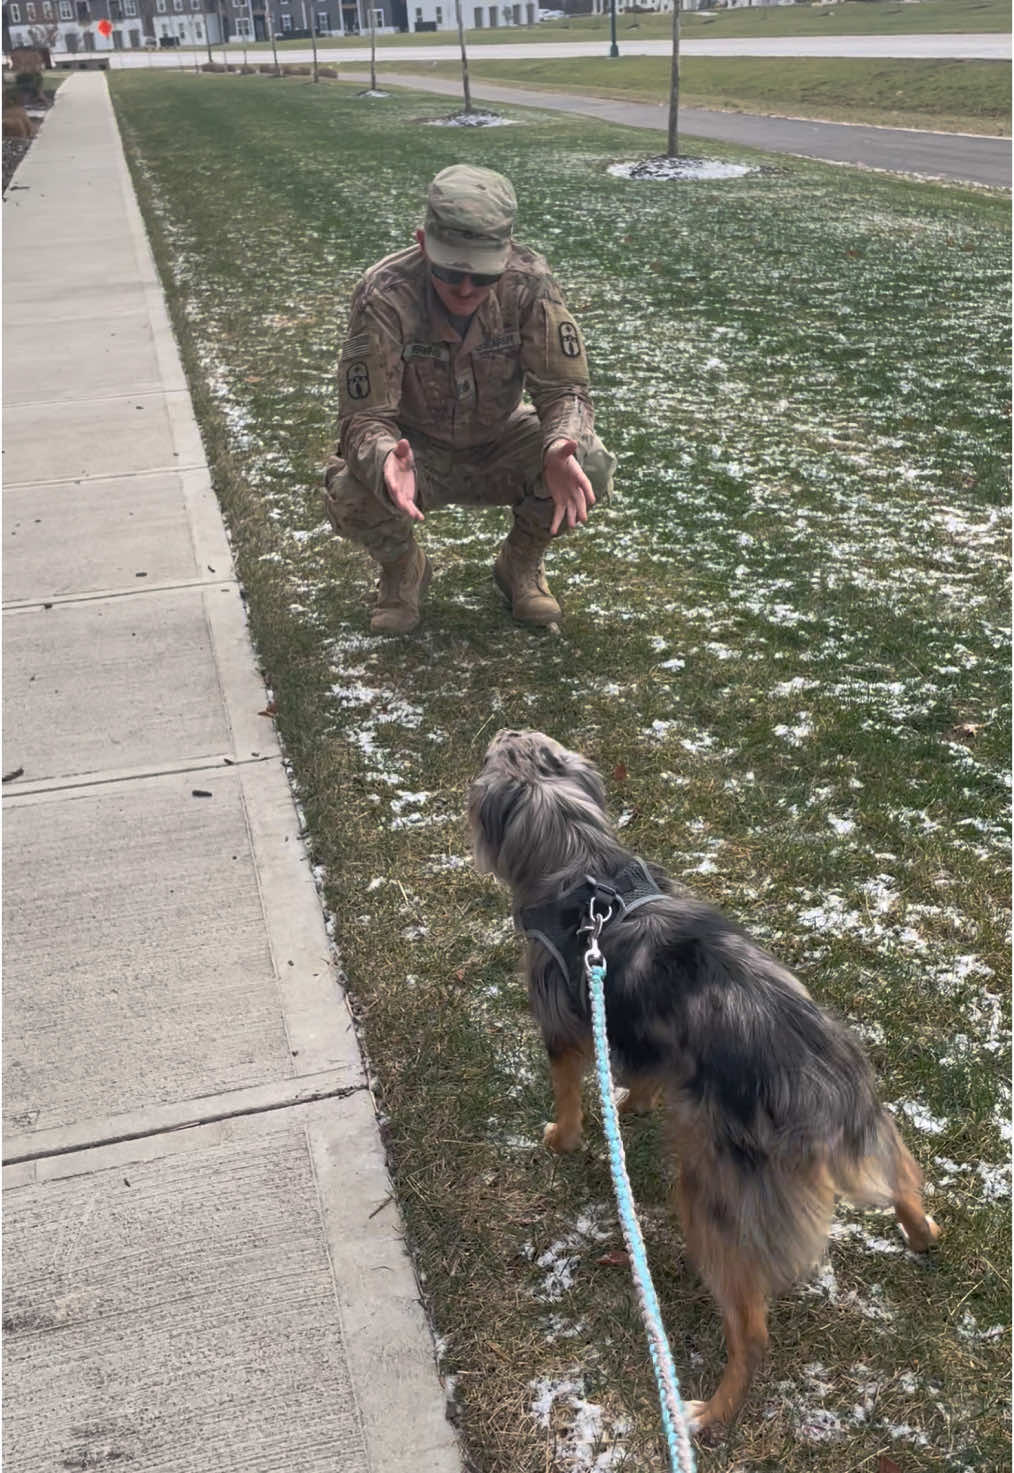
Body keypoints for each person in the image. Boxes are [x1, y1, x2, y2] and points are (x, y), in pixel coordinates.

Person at [323, 164, 616, 634]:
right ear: (423, 243)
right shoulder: (385, 294)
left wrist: (560, 445)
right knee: (351, 489)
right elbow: (365, 417)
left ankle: (520, 564)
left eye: (482, 277)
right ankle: (404, 570)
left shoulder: (531, 284)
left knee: (591, 464)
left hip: (501, 439)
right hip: (416, 452)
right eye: (449, 272)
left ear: (506, 255)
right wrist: (383, 461)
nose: (465, 289)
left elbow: (565, 390)